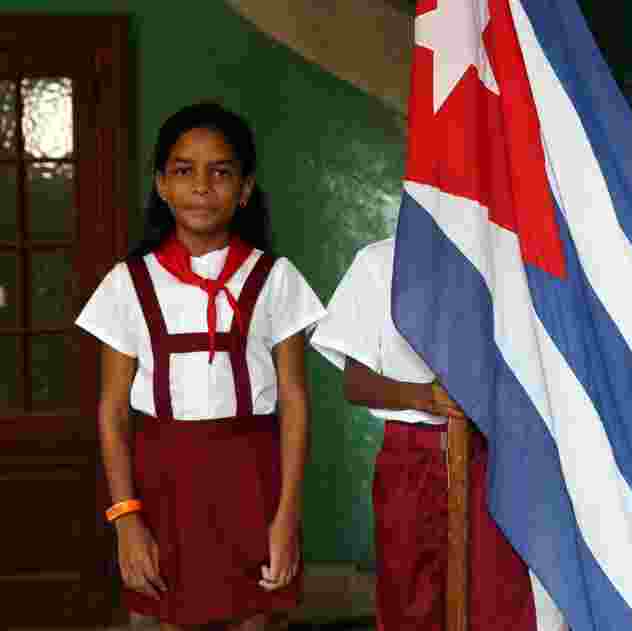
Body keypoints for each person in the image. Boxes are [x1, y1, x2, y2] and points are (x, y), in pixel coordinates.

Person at [76, 103, 326, 629]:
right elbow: (113, 411)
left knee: (255, 618)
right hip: (162, 485)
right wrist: (126, 519)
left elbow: (295, 401)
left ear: (245, 188)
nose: (202, 187)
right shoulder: (129, 282)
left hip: (252, 482)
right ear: (162, 185)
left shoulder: (275, 278)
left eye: (221, 172)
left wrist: (287, 516)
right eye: (184, 170)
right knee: (173, 619)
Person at [310, 238, 536, 631]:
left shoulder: (506, 256)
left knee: (498, 600)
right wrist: (424, 396)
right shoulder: (380, 260)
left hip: (496, 456)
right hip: (410, 458)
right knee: (410, 600)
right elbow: (356, 384)